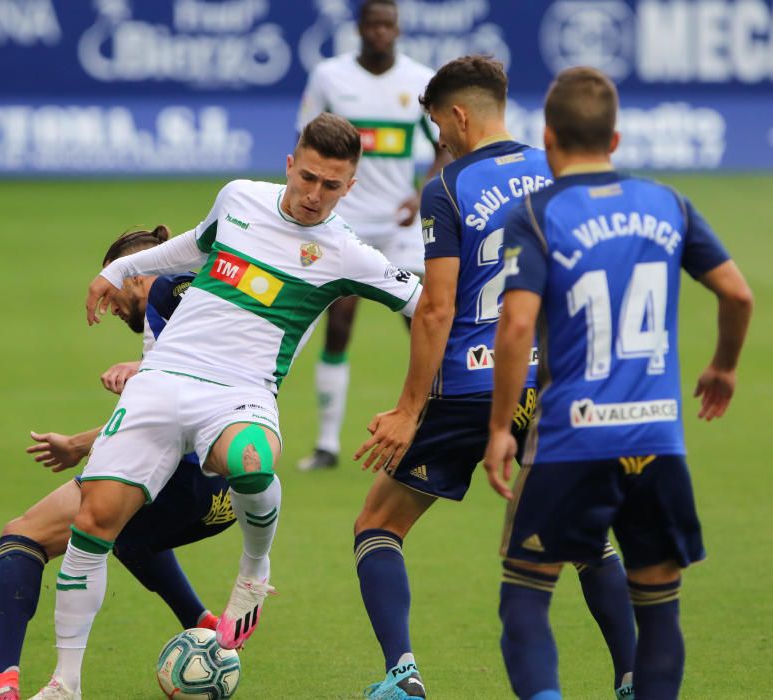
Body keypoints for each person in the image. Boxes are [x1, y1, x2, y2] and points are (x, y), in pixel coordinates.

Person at [29, 112, 423, 700]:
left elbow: (426, 306)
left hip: (241, 389)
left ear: (351, 187)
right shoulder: (239, 197)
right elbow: (193, 245)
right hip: (162, 380)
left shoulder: (346, 253)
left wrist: (424, 396)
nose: (315, 195)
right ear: (290, 165)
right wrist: (118, 269)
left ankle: (254, 570)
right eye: (308, 178)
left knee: (250, 458)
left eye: (332, 185)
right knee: (93, 525)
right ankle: (65, 683)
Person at [353, 57, 637, 700]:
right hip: (556, 382)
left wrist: (407, 408)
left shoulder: (448, 186)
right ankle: (631, 677)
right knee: (588, 537)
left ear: (458, 115)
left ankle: (403, 677)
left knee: (377, 524)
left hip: (468, 388)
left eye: (437, 127)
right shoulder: (561, 173)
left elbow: (436, 306)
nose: (439, 141)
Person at [482, 66, 752, 700]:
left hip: (571, 441)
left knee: (525, 596)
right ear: (617, 140)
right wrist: (724, 366)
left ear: (547, 140)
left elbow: (516, 326)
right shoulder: (669, 204)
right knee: (658, 608)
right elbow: (737, 294)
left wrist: (499, 428)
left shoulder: (537, 214)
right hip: (657, 439)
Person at [0, 229, 235, 700]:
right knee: (120, 529)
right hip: (218, 499)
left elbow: (193, 386)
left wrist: (132, 382)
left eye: (114, 285)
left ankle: (1, 680)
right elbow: (166, 415)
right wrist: (89, 438)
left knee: (23, 535)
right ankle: (204, 625)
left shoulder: (179, 291)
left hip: (187, 475)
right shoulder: (165, 323)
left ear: (139, 275)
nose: (109, 305)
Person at [295, 0, 449, 470]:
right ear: (360, 28)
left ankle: (437, 433)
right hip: (345, 225)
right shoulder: (329, 77)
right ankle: (326, 444)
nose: (381, 32)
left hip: (402, 225)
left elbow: (445, 146)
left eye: (389, 24)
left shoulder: (418, 80)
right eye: (373, 24)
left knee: (423, 321)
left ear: (397, 29)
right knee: (338, 326)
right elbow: (304, 143)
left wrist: (422, 193)